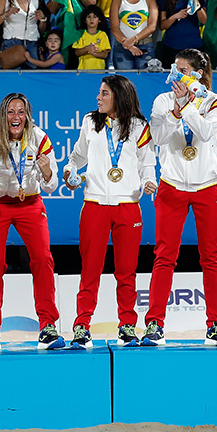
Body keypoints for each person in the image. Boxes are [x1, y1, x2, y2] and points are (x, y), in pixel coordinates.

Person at [143, 49, 217, 347]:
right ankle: (154, 323)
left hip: (209, 186)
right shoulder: (162, 100)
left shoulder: (216, 101)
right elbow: (158, 138)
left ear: (196, 74)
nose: (174, 74)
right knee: (164, 256)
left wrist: (190, 104)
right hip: (172, 186)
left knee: (212, 256)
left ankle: (215, 323)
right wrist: (177, 108)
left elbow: (206, 133)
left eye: (181, 70)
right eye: (174, 68)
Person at [63, 75, 156, 349]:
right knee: (90, 270)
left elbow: (147, 162)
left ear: (118, 96)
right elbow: (76, 157)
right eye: (99, 93)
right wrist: (70, 172)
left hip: (128, 206)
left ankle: (127, 325)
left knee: (126, 272)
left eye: (104, 93)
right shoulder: (91, 122)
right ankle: (81, 325)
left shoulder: (139, 126)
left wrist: (149, 179)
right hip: (94, 205)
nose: (98, 97)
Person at [0, 92, 64, 352]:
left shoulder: (39, 138)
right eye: (11, 112)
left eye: (21, 112)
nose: (16, 117)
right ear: (3, 115)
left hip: (29, 202)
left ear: (27, 116)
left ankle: (48, 325)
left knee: (43, 259)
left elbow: (52, 184)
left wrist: (47, 170)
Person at [158, 0, 207, 66]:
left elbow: (204, 21)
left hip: (195, 46)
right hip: (172, 46)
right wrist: (175, 16)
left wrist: (197, 6)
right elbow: (162, 26)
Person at [110, 0, 158, 69]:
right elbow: (114, 28)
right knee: (124, 83)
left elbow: (152, 26)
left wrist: (134, 39)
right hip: (122, 48)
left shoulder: (150, 0)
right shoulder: (117, 1)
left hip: (145, 47)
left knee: (145, 81)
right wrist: (129, 45)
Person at [72, 4, 110, 69]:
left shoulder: (102, 35)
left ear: (99, 20)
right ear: (85, 20)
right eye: (89, 17)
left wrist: (94, 53)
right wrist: (87, 48)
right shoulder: (80, 34)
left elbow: (105, 54)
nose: (91, 19)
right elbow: (77, 53)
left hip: (99, 72)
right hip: (83, 72)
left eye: (95, 17)